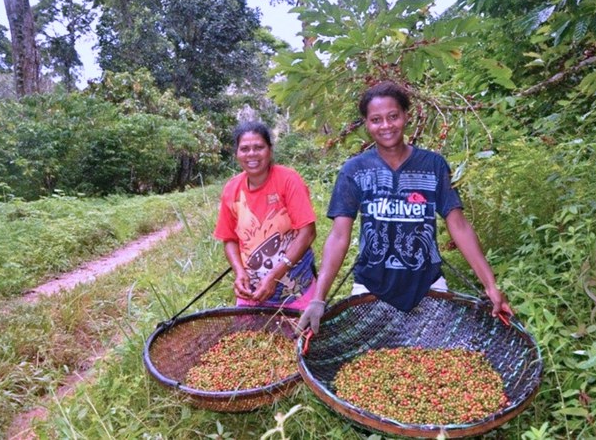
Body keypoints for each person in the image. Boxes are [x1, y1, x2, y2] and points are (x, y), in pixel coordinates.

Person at [297, 81, 513, 333]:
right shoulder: (355, 170)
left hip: (428, 285)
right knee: (372, 363)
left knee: (434, 361)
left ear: (406, 117)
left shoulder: (433, 165)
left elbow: (459, 225)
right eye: (376, 119)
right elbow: (338, 235)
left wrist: (490, 285)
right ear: (367, 125)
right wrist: (318, 298)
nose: (386, 126)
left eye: (393, 116)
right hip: (370, 287)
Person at [214, 121, 318, 309]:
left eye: (259, 147)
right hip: (252, 293)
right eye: (244, 149)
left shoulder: (288, 180)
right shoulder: (231, 189)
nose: (251, 154)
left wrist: (274, 275)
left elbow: (308, 232)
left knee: (299, 336)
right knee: (249, 338)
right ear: (237, 154)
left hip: (295, 288)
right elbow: (229, 239)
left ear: (269, 150)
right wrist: (239, 273)